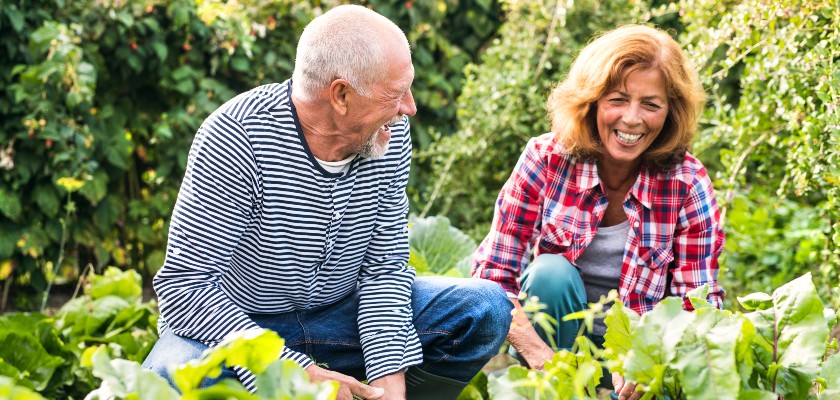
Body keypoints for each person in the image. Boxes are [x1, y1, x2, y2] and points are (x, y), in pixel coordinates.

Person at [141, 5, 512, 400]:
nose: (410, 107)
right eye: (395, 93)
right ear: (340, 95)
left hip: (340, 321)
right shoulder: (237, 137)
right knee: (170, 375)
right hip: (243, 328)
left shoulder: (387, 134)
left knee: (485, 309)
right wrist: (298, 373)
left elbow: (384, 271)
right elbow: (185, 287)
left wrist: (390, 387)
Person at [472, 24, 724, 400]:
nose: (632, 119)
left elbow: (697, 302)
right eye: (618, 99)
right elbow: (493, 276)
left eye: (651, 104)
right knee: (551, 273)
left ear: (670, 113)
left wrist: (650, 359)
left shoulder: (687, 183)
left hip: (639, 358)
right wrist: (540, 355)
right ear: (591, 101)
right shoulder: (546, 160)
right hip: (556, 349)